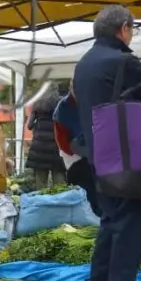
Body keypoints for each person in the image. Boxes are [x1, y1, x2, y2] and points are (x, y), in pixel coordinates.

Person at [74, 5, 141, 281]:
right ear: (123, 28)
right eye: (132, 29)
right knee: (133, 214)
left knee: (111, 216)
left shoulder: (84, 62)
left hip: (100, 153)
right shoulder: (122, 61)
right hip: (127, 154)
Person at [53, 86, 98, 215]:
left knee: (96, 189)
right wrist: (74, 152)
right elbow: (61, 137)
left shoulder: (92, 100)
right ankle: (86, 216)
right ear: (71, 89)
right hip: (74, 156)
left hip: (94, 153)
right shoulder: (63, 108)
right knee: (82, 188)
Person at [25, 86, 67, 189]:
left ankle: (42, 202)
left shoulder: (37, 104)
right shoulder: (61, 103)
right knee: (59, 178)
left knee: (41, 180)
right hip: (56, 146)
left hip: (39, 147)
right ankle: (61, 203)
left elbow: (29, 126)